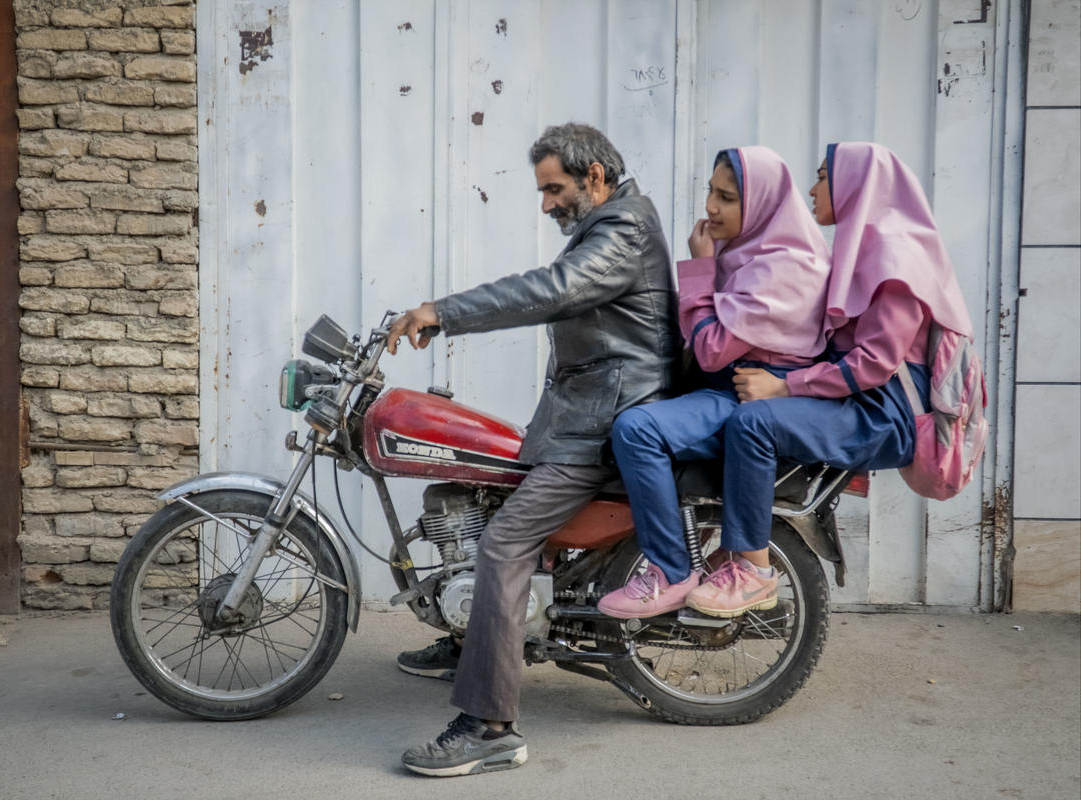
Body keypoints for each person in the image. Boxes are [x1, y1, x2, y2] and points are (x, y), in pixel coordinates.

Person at [386, 123, 680, 776]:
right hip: (583, 415)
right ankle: (475, 643)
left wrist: (443, 311)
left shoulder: (623, 228)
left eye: (553, 189)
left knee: (505, 542)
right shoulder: (609, 225)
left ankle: (491, 725)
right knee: (482, 502)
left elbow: (549, 290)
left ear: (595, 176)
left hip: (607, 425)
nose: (545, 204)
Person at [682, 141, 972, 617]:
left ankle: (753, 571)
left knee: (755, 422)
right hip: (860, 400)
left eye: (822, 177)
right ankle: (729, 547)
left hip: (885, 413)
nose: (812, 188)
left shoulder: (896, 259)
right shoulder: (864, 246)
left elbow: (874, 363)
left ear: (857, 185)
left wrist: (784, 386)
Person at [597, 146, 832, 619]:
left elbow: (709, 348)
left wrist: (700, 268)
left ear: (763, 205)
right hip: (729, 386)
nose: (710, 206)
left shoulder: (785, 268)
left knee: (637, 429)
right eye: (710, 190)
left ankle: (670, 570)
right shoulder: (748, 253)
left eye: (726, 197)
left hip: (749, 392)